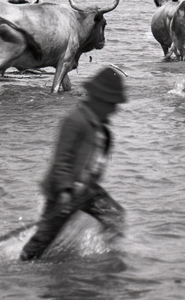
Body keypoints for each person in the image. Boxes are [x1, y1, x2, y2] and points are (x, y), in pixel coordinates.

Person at [20, 65, 128, 261]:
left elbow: (96, 164)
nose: (113, 110)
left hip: (87, 191)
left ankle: (108, 259)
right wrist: (64, 192)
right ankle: (24, 264)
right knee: (42, 240)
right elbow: (62, 160)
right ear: (98, 99)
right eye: (111, 104)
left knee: (115, 216)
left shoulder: (102, 130)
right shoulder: (75, 121)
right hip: (63, 192)